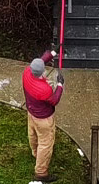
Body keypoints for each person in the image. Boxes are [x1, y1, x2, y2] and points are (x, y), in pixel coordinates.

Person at [22, 49, 64, 183]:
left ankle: (35, 152)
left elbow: (40, 61)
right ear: (42, 73)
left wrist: (52, 52)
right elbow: (54, 100)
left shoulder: (27, 73)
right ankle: (41, 173)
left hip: (32, 113)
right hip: (44, 119)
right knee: (46, 144)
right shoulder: (43, 89)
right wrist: (60, 85)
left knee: (33, 134)